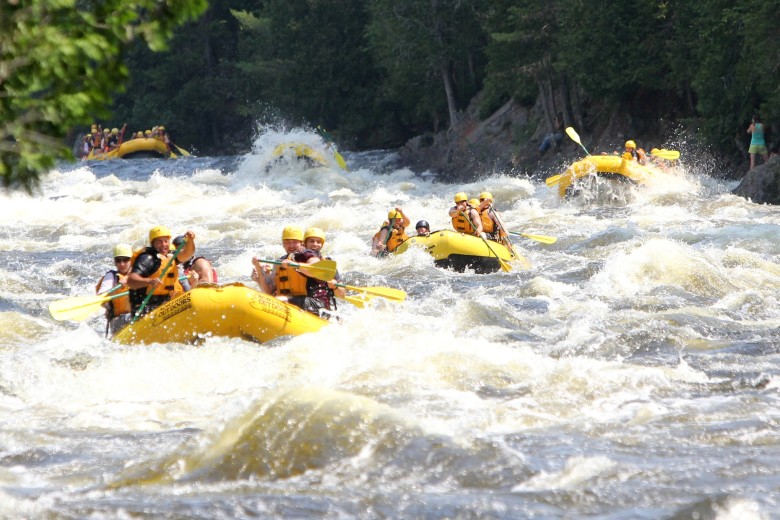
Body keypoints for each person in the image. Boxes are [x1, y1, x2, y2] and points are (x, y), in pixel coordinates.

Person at [251, 226, 335, 315]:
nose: (291, 246)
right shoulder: (280, 261)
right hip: (293, 301)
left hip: (317, 303)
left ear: (301, 243)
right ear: (283, 244)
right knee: (271, 300)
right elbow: (269, 292)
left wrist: (296, 265)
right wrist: (259, 271)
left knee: (279, 301)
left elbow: (317, 269)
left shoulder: (308, 254)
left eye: (294, 242)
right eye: (287, 242)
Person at [126, 226, 196, 318]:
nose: (163, 244)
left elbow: (187, 253)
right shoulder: (147, 258)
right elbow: (131, 281)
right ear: (153, 243)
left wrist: (190, 240)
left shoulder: (170, 256)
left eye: (166, 241)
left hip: (165, 303)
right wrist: (149, 281)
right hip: (146, 307)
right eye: (159, 241)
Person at [95, 243, 133, 336]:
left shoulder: (140, 274)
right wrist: (115, 289)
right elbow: (101, 297)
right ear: (114, 262)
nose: (122, 264)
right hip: (118, 321)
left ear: (131, 261)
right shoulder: (111, 277)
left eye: (125, 260)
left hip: (138, 314)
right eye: (118, 260)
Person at [303, 227, 346, 302]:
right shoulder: (297, 258)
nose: (315, 244)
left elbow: (342, 295)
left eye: (318, 242)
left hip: (320, 304)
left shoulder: (328, 264)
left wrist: (335, 287)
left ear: (322, 245)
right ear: (305, 243)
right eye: (311, 241)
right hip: (300, 300)